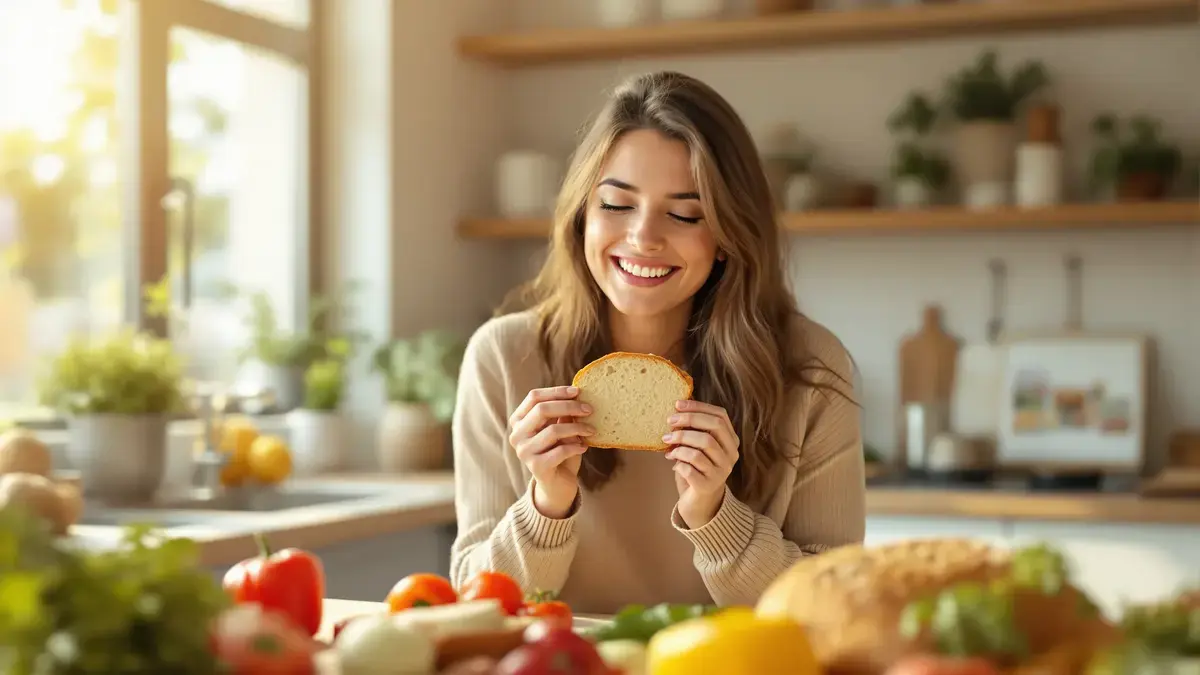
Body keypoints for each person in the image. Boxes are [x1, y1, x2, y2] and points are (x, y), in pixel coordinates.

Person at [449, 70, 865, 614]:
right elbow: (473, 603)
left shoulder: (809, 368)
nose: (643, 237)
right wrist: (545, 506)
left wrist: (716, 515)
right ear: (582, 217)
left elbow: (833, 605)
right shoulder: (502, 360)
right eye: (617, 205)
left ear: (726, 236)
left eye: (685, 214)